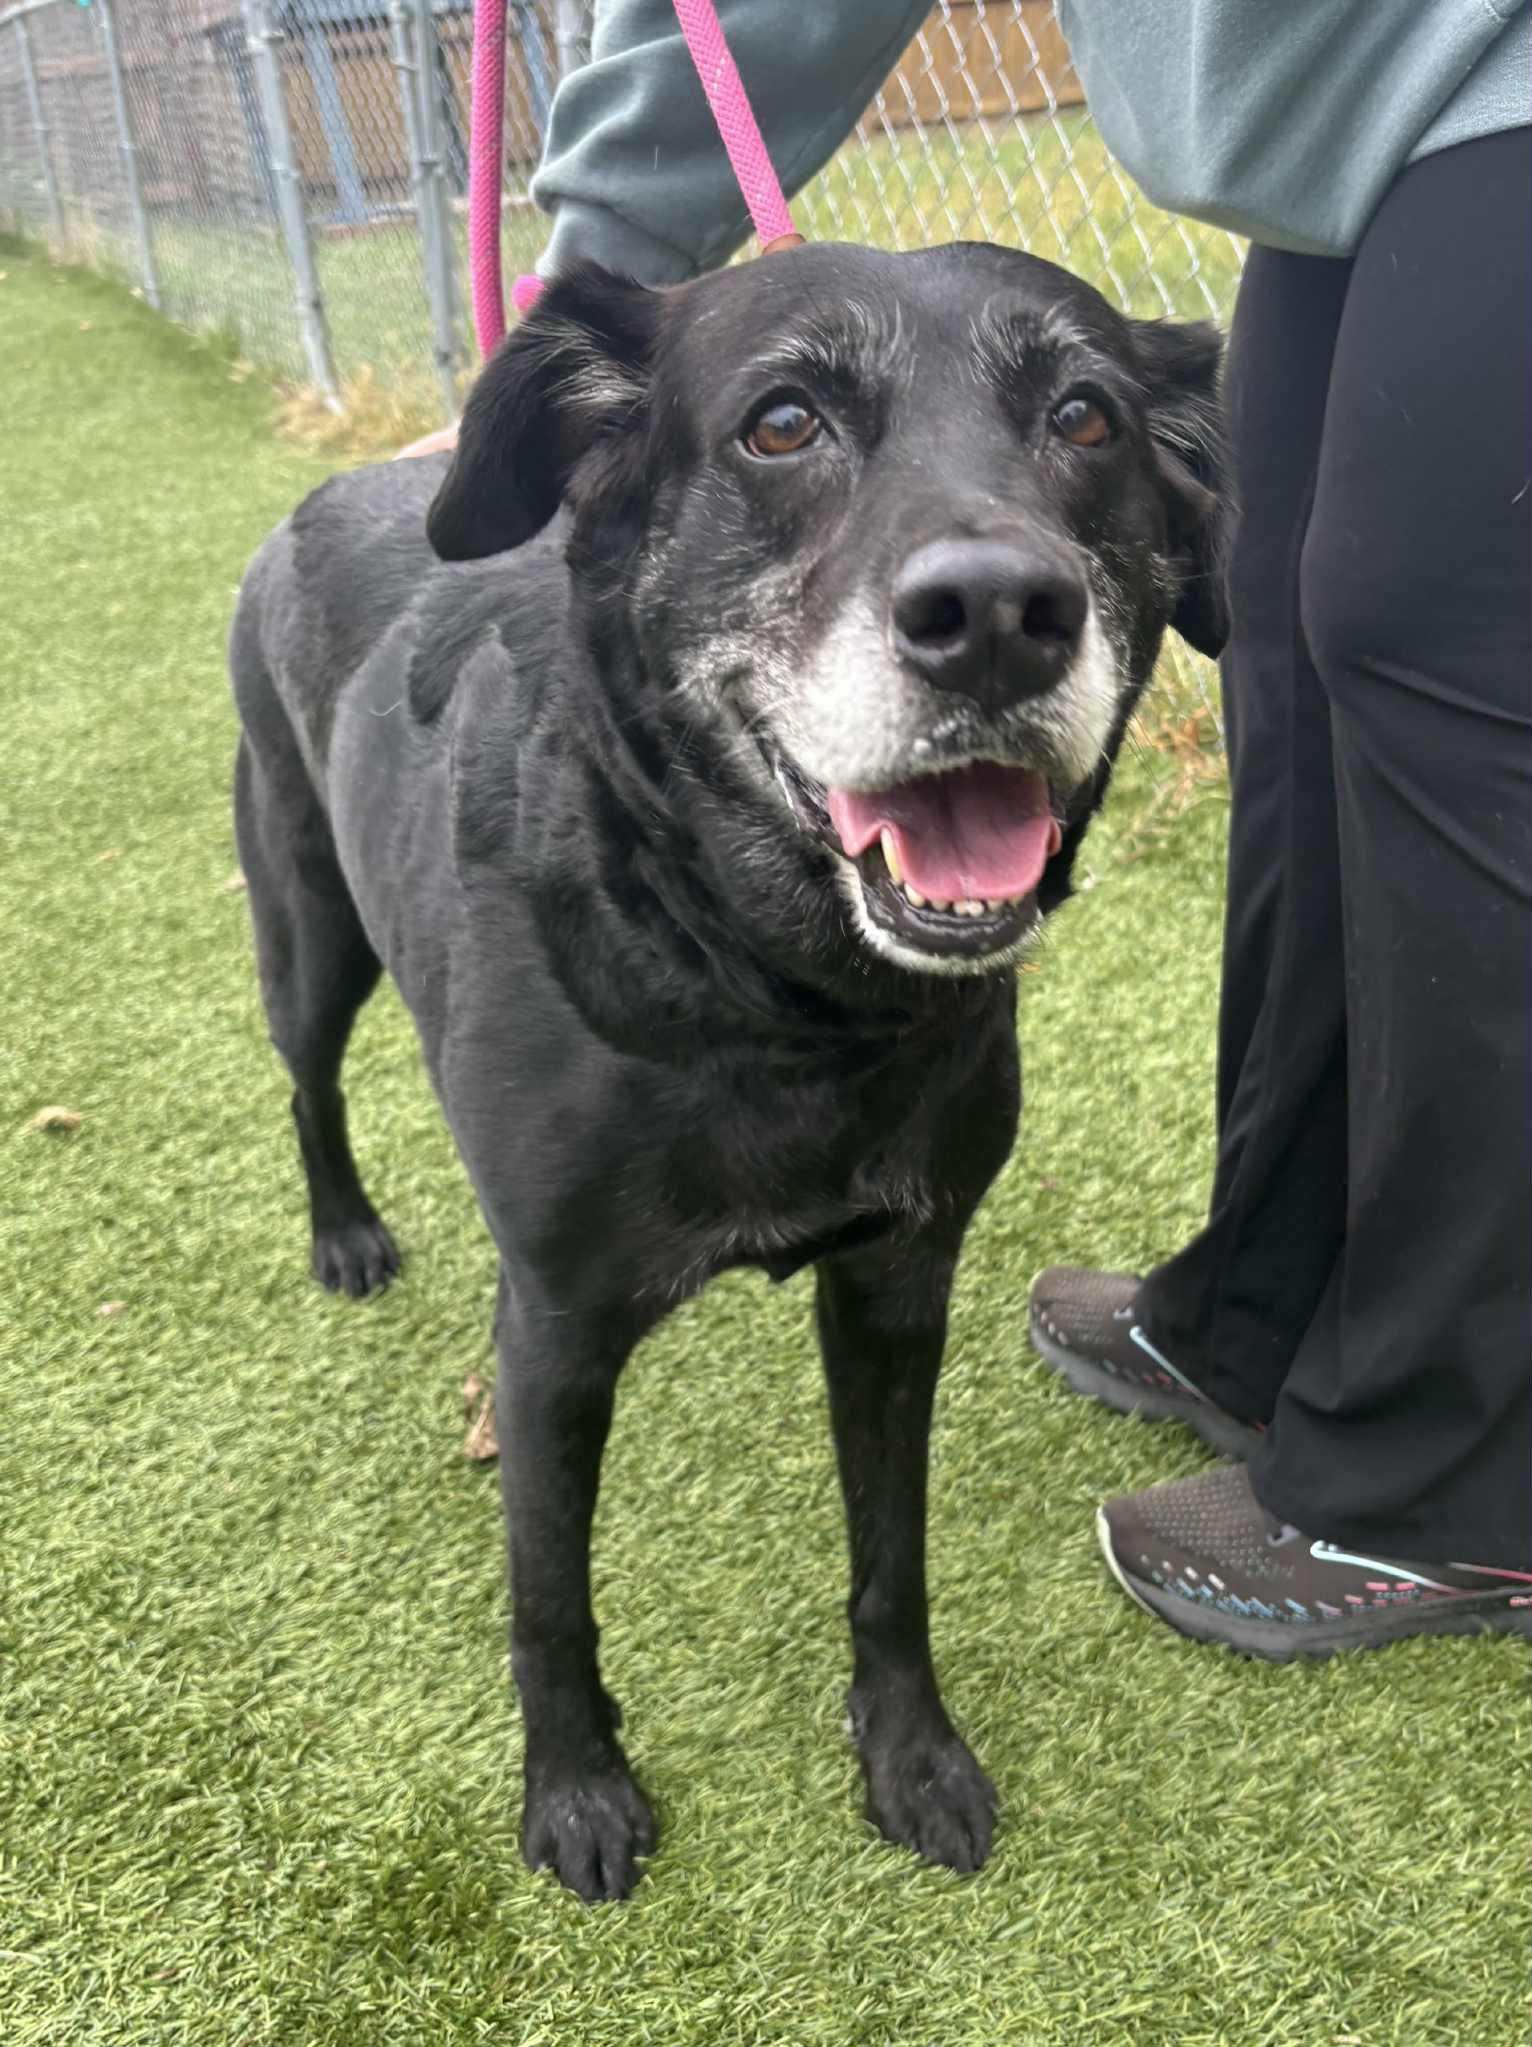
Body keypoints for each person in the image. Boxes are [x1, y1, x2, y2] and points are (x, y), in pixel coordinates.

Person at [416, 1, 1532, 1655]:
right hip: (1360, 114)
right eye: (785, 427)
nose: (993, 581)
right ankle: (1261, 1304)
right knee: (1302, 668)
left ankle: (1458, 1485)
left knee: (1447, 678)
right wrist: (600, 269)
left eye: (1078, 425)